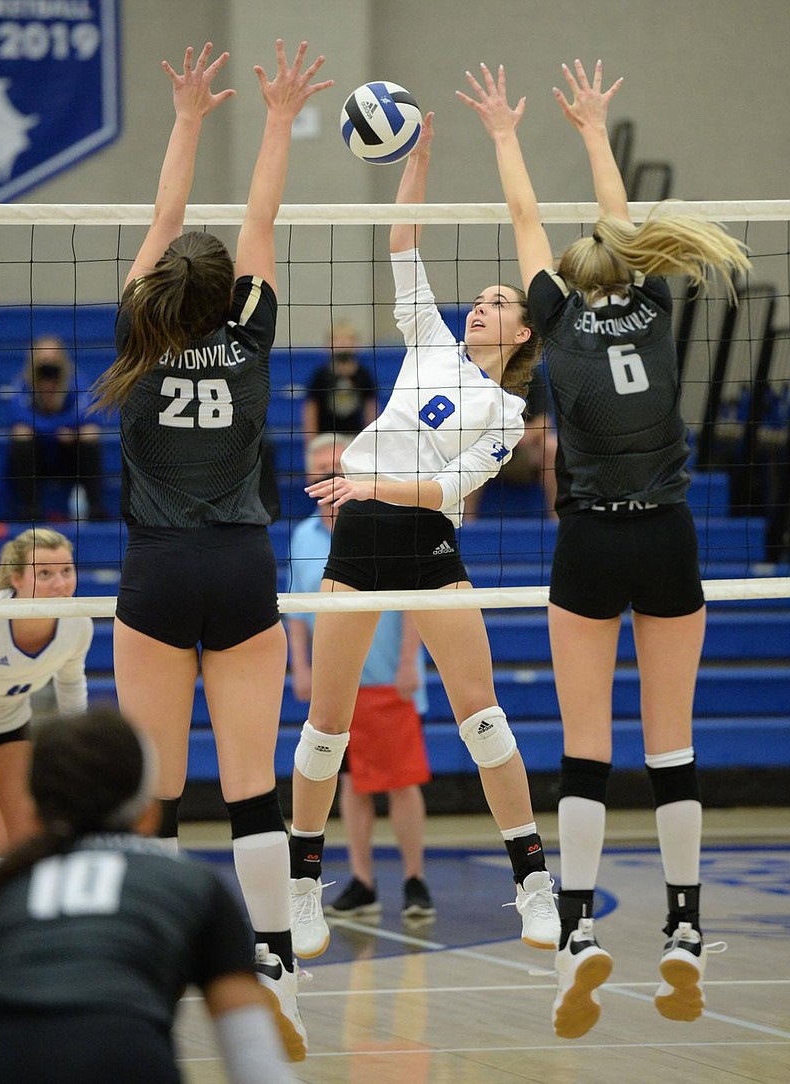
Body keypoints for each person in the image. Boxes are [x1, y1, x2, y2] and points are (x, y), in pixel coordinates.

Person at [460, 57, 750, 1037]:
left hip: (585, 543)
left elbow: (522, 222)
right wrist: (593, 127)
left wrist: (504, 131)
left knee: (585, 752)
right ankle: (681, 925)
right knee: (671, 746)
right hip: (666, 539)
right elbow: (617, 221)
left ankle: (578, 929)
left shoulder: (555, 325)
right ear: (628, 272)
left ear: (564, 289)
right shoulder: (655, 311)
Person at [91, 40, 332, 1058]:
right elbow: (261, 220)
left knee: (152, 790)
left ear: (161, 292)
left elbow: (163, 223)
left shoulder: (137, 338)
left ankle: (143, 958)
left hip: (155, 570)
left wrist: (186, 117)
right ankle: (272, 956)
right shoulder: (251, 331)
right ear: (224, 290)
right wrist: (275, 120)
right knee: (252, 787)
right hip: (241, 567)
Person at [287, 111, 559, 961]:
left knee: (484, 719)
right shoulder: (429, 339)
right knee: (325, 730)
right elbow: (402, 241)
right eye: (480, 297)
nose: (482, 305)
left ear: (524, 335)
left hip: (429, 545)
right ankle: (303, 891)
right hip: (358, 540)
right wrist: (420, 158)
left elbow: (446, 490)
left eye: (500, 302)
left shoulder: (511, 413)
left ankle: (535, 885)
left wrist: (368, 479)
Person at [0, 705, 297, 1083]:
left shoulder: (4, 885)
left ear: (34, 813)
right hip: (127, 1056)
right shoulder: (194, 885)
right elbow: (257, 1067)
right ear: (149, 812)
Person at [286, 432, 434, 921]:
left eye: (337, 464)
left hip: (387, 678)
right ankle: (363, 881)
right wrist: (301, 668)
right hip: (337, 682)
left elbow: (417, 599)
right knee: (350, 782)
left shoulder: (384, 516)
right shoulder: (304, 534)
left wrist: (409, 663)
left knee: (402, 782)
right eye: (320, 467)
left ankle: (415, 880)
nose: (329, 474)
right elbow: (299, 612)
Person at [0, 527, 92, 857]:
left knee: (27, 841)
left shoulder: (77, 624)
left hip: (8, 725)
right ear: (16, 579)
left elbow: (71, 685)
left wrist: (80, 751)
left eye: (66, 570)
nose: (61, 584)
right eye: (45, 573)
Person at [5, 335, 108, 521]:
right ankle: (30, 509)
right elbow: (16, 415)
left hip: (68, 456)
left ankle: (96, 509)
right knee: (21, 431)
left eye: (52, 359)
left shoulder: (76, 380)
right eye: (42, 359)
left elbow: (90, 413)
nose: (47, 364)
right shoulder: (22, 384)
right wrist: (55, 431)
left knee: (89, 432)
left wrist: (66, 430)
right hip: (37, 457)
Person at [463, 363, 558, 521]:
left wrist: (519, 434)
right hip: (486, 452)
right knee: (466, 446)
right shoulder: (478, 373)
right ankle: (465, 529)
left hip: (523, 452)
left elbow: (545, 422)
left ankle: (557, 525)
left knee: (551, 446)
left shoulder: (531, 373)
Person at [301, 321, 378, 443]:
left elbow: (371, 408)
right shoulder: (321, 375)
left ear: (356, 344)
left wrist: (371, 438)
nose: (343, 344)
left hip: (354, 437)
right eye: (337, 340)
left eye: (348, 339)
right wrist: (311, 441)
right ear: (328, 345)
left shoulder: (363, 374)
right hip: (326, 438)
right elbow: (311, 409)